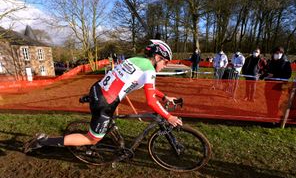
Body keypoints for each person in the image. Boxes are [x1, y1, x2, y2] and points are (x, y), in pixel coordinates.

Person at [24, 40, 183, 152]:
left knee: (109, 122)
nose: (165, 65)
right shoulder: (149, 70)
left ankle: (109, 133)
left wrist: (164, 96)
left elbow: (146, 86)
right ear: (157, 57)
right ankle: (43, 141)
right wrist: (169, 117)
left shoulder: (137, 60)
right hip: (104, 103)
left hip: (98, 90)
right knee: (92, 138)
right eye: (165, 62)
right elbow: (150, 100)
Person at [264, 46, 292, 117]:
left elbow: (288, 75)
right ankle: (269, 113)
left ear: (282, 53)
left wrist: (274, 75)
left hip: (277, 86)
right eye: (276, 52)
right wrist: (263, 75)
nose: (278, 54)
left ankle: (273, 115)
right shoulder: (271, 61)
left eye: (280, 53)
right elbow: (267, 70)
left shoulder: (286, 63)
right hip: (268, 84)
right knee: (268, 101)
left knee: (274, 101)